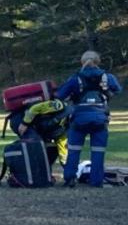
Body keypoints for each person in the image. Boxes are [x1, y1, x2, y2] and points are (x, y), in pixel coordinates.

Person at [55, 50, 121, 187]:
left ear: (82, 62)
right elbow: (117, 89)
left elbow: (60, 95)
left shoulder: (75, 78)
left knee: (73, 149)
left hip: (79, 118)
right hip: (100, 119)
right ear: (98, 62)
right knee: (98, 151)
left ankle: (70, 178)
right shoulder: (107, 77)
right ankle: (96, 181)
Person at [12, 98, 72, 169]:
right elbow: (34, 109)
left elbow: (63, 152)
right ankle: (27, 175)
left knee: (50, 149)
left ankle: (44, 174)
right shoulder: (59, 106)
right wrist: (25, 123)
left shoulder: (65, 130)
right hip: (22, 119)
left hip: (36, 126)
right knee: (36, 146)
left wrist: (67, 166)